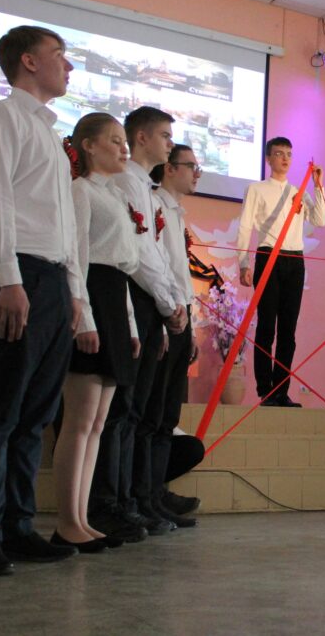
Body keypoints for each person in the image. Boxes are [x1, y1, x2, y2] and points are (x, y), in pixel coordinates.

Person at [0, 26, 84, 575]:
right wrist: (8, 278)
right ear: (29, 61)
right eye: (60, 56)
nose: (69, 66)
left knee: (35, 415)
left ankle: (16, 527)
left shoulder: (51, 137)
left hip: (49, 280)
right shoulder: (0, 118)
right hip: (11, 273)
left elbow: (64, 225)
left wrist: (72, 292)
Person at [90, 106, 188, 538]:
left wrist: (172, 302)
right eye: (165, 135)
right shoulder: (127, 182)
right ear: (142, 138)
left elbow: (157, 253)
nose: (170, 143)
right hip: (134, 296)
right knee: (123, 410)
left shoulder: (143, 187)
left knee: (139, 410)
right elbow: (141, 253)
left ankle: (133, 500)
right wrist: (168, 303)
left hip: (152, 302)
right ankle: (110, 503)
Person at [53, 113, 141, 552]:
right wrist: (84, 319)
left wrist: (130, 325)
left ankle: (83, 518)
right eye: (114, 140)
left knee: (98, 423)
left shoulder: (116, 196)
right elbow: (77, 257)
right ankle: (67, 520)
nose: (124, 148)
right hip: (92, 299)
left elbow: (123, 266)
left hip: (114, 300)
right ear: (88, 145)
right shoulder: (81, 191)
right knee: (79, 420)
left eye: (125, 141)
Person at [236, 136, 325, 407]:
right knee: (267, 326)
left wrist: (318, 186)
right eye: (279, 153)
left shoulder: (297, 191)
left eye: (289, 154)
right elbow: (245, 226)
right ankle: (265, 390)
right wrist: (243, 262)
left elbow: (320, 220)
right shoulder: (256, 189)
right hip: (268, 256)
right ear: (268, 158)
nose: (285, 158)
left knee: (288, 330)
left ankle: (281, 390)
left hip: (294, 261)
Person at [144, 145, 201, 528]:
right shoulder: (154, 206)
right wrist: (171, 314)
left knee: (168, 415)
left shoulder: (176, 213)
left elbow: (180, 274)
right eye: (190, 166)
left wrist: (190, 324)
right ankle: (144, 496)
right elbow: (156, 266)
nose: (196, 173)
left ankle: (154, 494)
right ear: (168, 168)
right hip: (165, 315)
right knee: (152, 414)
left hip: (181, 315)